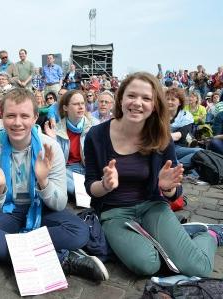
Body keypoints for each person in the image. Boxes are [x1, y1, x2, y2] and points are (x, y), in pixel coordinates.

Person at [84, 72, 220, 277]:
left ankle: (208, 234)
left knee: (198, 268)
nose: (137, 103)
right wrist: (104, 185)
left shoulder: (161, 136)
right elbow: (90, 187)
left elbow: (176, 192)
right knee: (147, 265)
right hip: (114, 212)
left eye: (146, 98)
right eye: (131, 96)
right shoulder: (96, 135)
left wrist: (167, 187)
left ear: (155, 104)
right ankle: (173, 239)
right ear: (120, 99)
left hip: (152, 206)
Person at [0, 88, 109, 281]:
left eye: (24, 116)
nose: (17, 123)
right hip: (7, 211)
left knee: (79, 231)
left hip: (42, 210)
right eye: (10, 116)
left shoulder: (50, 148)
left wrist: (43, 181)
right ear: (2, 118)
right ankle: (62, 260)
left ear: (34, 118)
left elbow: (58, 204)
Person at [44, 90, 97, 199]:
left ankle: (84, 194)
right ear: (65, 108)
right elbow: (55, 163)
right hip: (69, 170)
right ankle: (87, 194)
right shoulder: (57, 129)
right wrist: (53, 140)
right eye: (76, 104)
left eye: (82, 103)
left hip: (89, 167)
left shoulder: (95, 125)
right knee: (53, 174)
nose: (81, 107)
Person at [166, 87, 202, 171]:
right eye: (167, 99)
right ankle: (175, 166)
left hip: (176, 147)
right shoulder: (158, 114)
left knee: (200, 151)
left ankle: (175, 167)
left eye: (173, 99)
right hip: (159, 146)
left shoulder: (186, 116)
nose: (169, 102)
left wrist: (161, 137)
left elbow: (179, 135)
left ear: (179, 102)